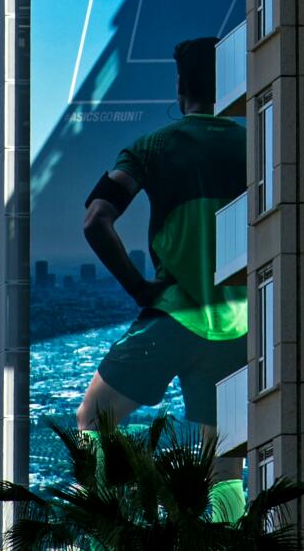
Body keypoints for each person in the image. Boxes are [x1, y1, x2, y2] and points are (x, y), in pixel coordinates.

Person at [78, 36, 247, 476]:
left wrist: (137, 287)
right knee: (225, 463)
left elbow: (96, 219)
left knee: (92, 420)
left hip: (173, 313)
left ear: (180, 87)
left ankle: (105, 530)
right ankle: (224, 541)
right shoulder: (260, 141)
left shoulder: (152, 147)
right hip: (240, 324)